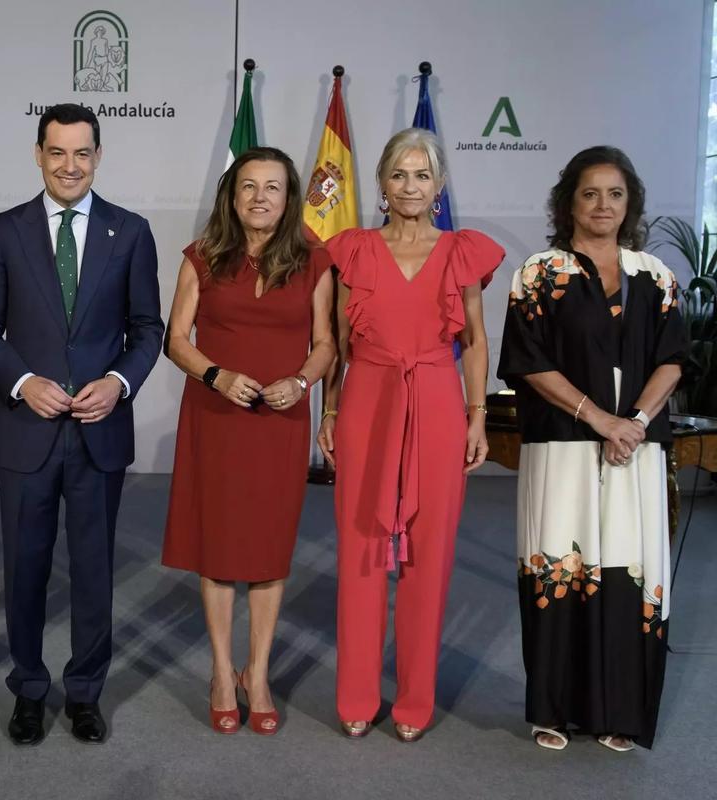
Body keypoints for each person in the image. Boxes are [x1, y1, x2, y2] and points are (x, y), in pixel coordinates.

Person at [0, 103, 163, 746]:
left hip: (100, 434)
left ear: (98, 156)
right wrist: (23, 382)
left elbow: (147, 331)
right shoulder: (3, 231)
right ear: (38, 154)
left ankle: (85, 692)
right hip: (28, 431)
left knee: (93, 568)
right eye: (57, 152)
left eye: (82, 153)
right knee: (24, 566)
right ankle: (28, 687)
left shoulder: (130, 232)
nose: (70, 165)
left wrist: (118, 382)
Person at [497, 146, 685, 752]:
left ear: (630, 204)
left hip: (635, 449)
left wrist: (631, 422)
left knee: (630, 567)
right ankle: (553, 710)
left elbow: (673, 360)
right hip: (564, 447)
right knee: (561, 567)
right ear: (568, 202)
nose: (603, 205)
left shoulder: (656, 276)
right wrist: (599, 418)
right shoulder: (539, 273)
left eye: (615, 194)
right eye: (590, 193)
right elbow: (528, 364)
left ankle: (618, 713)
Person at [319, 128, 502, 742]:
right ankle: (357, 696)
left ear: (440, 185)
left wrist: (478, 414)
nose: (410, 186)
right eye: (399, 174)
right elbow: (338, 348)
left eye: (422, 175)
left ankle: (415, 702)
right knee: (362, 548)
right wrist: (331, 413)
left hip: (438, 402)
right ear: (381, 183)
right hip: (368, 399)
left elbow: (474, 341)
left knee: (429, 553)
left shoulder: (460, 253)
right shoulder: (353, 251)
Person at [161, 147, 336, 735]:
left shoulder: (315, 260)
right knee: (217, 544)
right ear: (231, 197)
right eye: (248, 187)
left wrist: (301, 381)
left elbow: (326, 343)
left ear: (289, 199)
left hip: (281, 421)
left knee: (267, 548)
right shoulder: (202, 256)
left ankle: (255, 672)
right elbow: (175, 339)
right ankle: (219, 669)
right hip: (217, 416)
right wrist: (217, 374)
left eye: (273, 187)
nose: (260, 197)